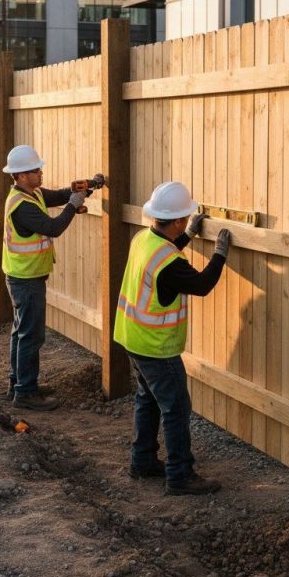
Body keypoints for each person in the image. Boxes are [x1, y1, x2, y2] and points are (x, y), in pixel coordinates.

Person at [114, 181, 231, 496]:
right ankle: (180, 475)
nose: (187, 220)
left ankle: (142, 461)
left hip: (132, 337)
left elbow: (166, 249)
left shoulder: (143, 238)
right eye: (186, 218)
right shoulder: (170, 264)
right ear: (177, 220)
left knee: (148, 400)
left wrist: (189, 234)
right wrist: (220, 254)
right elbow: (202, 284)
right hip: (157, 347)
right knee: (176, 409)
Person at [2, 144, 101, 411]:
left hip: (24, 275)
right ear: (21, 175)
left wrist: (84, 187)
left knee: (21, 332)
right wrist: (73, 205)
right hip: (26, 278)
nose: (40, 172)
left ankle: (18, 383)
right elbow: (53, 227)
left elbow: (57, 195)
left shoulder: (30, 193)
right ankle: (25, 392)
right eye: (35, 170)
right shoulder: (22, 206)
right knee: (31, 336)